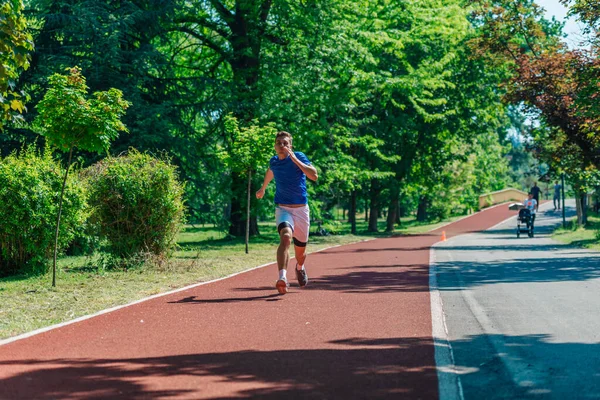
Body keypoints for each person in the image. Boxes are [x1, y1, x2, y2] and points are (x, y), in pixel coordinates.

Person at [256, 131, 318, 294]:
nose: (281, 146)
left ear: (290, 145)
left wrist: (295, 160)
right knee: (285, 237)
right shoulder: (274, 161)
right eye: (278, 143)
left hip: (301, 210)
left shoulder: (299, 157)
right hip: (283, 208)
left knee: (300, 254)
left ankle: (299, 267)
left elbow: (314, 176)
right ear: (275, 146)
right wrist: (263, 188)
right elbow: (270, 172)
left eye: (285, 143)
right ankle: (282, 278)